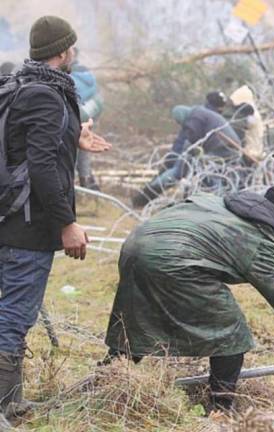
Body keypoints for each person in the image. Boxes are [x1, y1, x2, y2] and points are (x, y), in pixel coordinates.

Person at [104, 186, 274, 411]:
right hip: (175, 260)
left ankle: (107, 376)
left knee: (136, 315)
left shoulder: (218, 202)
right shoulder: (259, 240)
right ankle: (220, 406)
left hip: (135, 245)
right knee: (232, 332)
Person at [0, 15, 110, 425]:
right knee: (14, 315)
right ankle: (4, 407)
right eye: (73, 47)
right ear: (63, 51)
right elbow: (42, 165)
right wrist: (67, 222)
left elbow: (23, 146)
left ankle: (9, 401)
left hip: (8, 218)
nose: (74, 53)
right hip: (28, 225)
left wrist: (73, 136)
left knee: (10, 310)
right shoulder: (47, 95)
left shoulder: (18, 86)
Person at [132, 102, 241, 207]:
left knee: (199, 173)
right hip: (230, 147)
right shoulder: (199, 113)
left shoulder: (195, 117)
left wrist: (183, 159)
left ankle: (146, 195)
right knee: (209, 173)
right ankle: (218, 201)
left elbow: (194, 139)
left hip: (223, 147)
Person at [71, 48, 104, 190]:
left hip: (76, 115)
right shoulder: (87, 74)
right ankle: (88, 185)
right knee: (83, 150)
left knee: (72, 152)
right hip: (90, 113)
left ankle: (72, 187)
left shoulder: (68, 76)